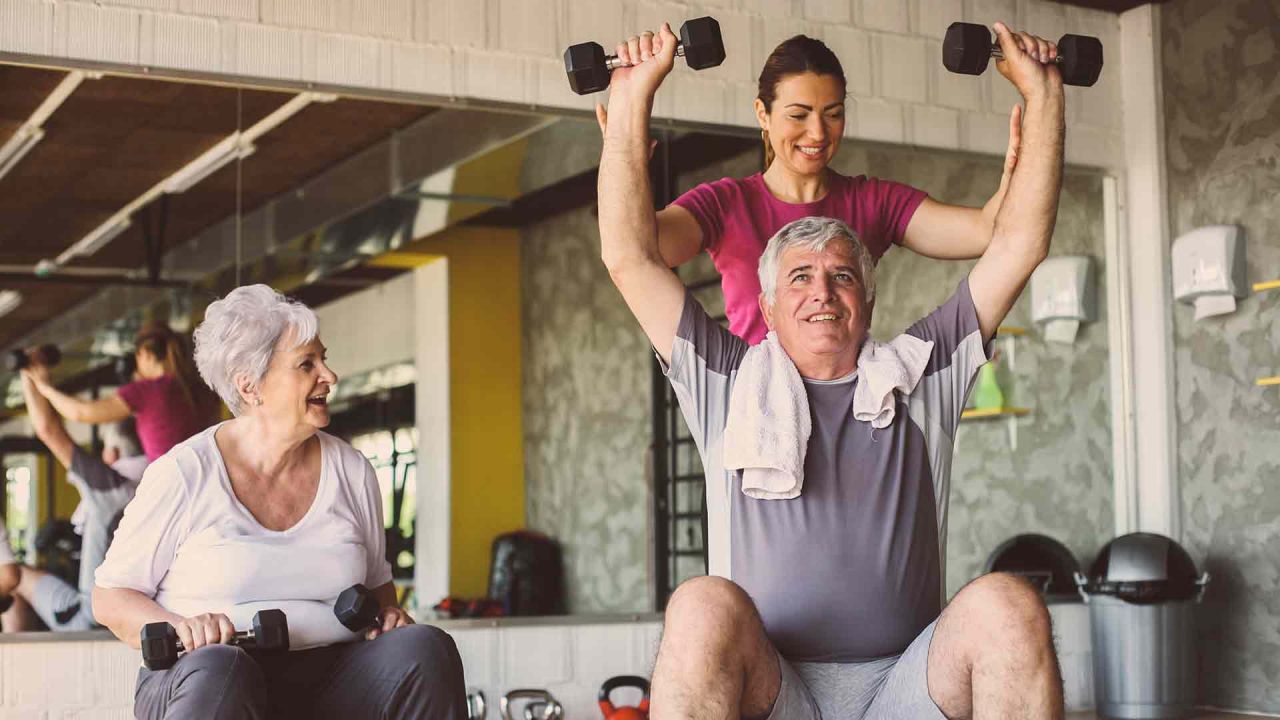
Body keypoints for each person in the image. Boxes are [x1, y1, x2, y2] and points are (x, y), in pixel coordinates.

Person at [597, 20, 1066, 720]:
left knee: (1009, 603)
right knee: (699, 605)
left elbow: (1015, 242)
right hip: (774, 687)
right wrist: (631, 102)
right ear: (762, 304)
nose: (822, 291)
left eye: (843, 275)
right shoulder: (729, 382)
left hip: (908, 684)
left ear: (869, 298)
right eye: (800, 278)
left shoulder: (918, 373)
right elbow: (631, 256)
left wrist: (1045, 96)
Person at [93, 284, 466, 720]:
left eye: (323, 359)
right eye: (307, 364)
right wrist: (183, 627)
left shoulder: (351, 471)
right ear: (250, 387)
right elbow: (110, 598)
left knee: (424, 648)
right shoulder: (185, 473)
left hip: (327, 675)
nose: (329, 375)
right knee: (223, 669)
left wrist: (388, 617)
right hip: (203, 677)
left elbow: (379, 589)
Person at [598, 33, 1022, 345]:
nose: (818, 132)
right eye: (798, 114)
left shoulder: (873, 202)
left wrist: (1020, 164)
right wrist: (624, 141)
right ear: (762, 114)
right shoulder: (726, 203)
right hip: (756, 416)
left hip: (849, 408)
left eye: (833, 114)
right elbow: (636, 251)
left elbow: (990, 231)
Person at [4, 358, 144, 632]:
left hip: (90, 617)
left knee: (14, 577)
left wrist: (30, 376)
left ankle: (8, 667)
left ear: (113, 453)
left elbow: (48, 430)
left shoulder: (109, 483)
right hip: (139, 609)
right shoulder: (162, 475)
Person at [26, 324, 219, 461]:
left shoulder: (147, 391)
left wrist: (45, 387)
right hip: (211, 479)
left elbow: (81, 412)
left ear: (145, 354)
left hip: (172, 485)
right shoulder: (201, 387)